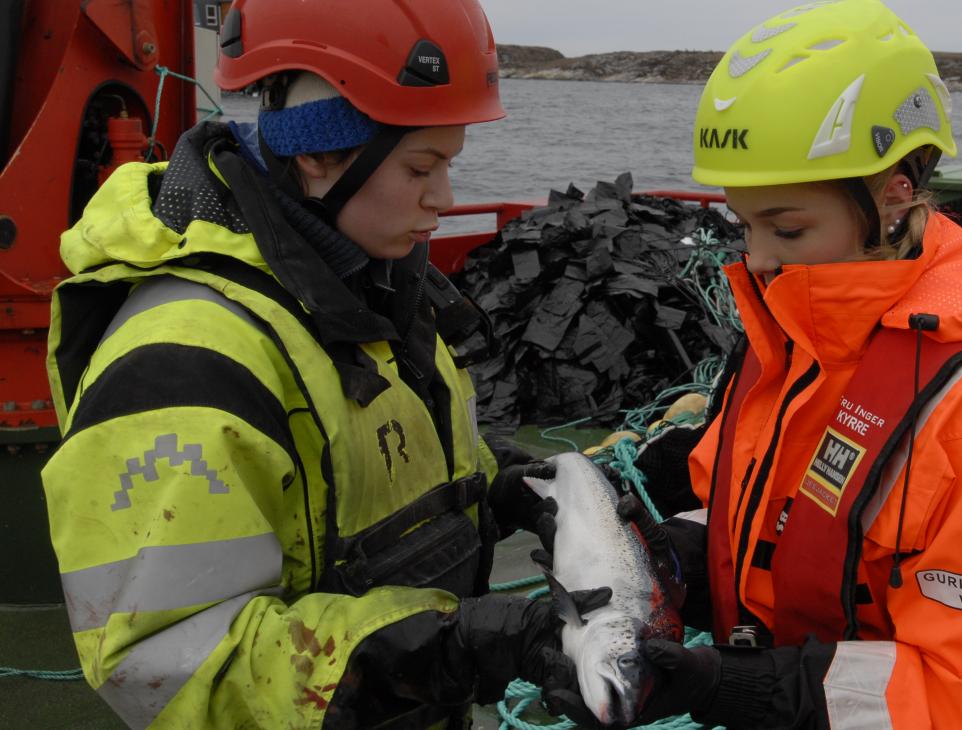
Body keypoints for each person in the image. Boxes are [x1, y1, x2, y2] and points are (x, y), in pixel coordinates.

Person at [547, 1, 962, 728]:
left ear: (895, 195)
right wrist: (669, 562)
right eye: (743, 223)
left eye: (787, 227)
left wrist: (736, 689)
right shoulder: (795, 343)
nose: (755, 259)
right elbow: (776, 521)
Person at [39, 0, 592, 727]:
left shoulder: (367, 286)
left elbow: (360, 474)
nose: (445, 199)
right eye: (422, 166)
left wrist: (500, 489)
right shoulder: (184, 367)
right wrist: (449, 649)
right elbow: (173, 665)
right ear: (319, 154)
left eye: (449, 163)